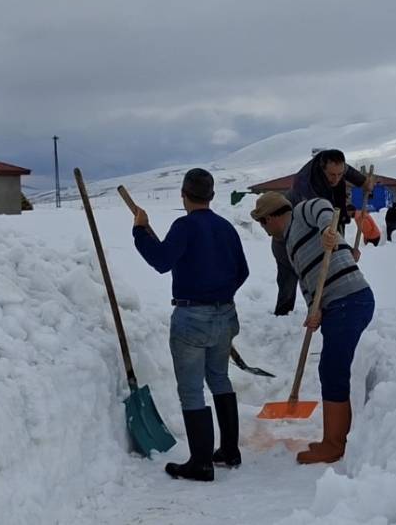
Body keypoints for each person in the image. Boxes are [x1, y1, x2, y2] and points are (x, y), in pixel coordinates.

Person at [131, 168, 249, 482]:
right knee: (220, 378)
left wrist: (140, 231)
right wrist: (221, 295)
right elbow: (243, 271)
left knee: (192, 390)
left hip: (192, 317)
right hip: (225, 314)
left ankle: (201, 463)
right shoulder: (225, 227)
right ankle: (230, 451)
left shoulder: (184, 226)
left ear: (183, 195)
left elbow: (161, 261)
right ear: (212, 195)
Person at [252, 192, 375, 464]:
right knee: (330, 369)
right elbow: (308, 282)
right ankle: (333, 440)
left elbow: (324, 208)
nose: (263, 228)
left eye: (262, 222)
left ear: (270, 217)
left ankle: (334, 445)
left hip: (350, 298)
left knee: (333, 370)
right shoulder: (290, 246)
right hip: (335, 305)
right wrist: (313, 309)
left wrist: (327, 231)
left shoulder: (302, 212)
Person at [270, 149, 368, 316]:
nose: (336, 179)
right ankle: (283, 315)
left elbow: (348, 171)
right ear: (322, 169)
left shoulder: (333, 167)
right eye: (332, 175)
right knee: (292, 275)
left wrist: (363, 182)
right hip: (290, 235)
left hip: (323, 223)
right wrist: (346, 250)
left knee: (329, 265)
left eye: (339, 174)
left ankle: (332, 307)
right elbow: (322, 223)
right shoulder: (306, 187)